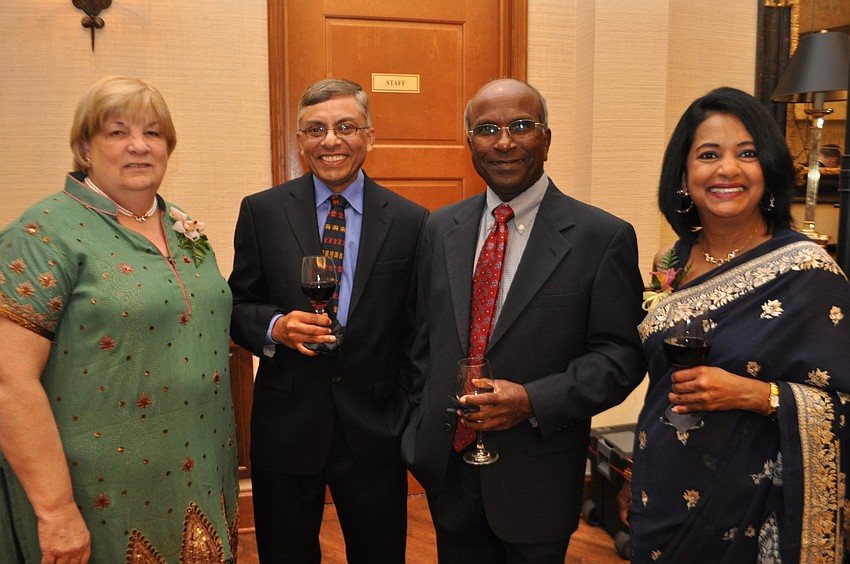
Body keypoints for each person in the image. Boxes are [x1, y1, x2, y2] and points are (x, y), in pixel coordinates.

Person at [401, 78, 646, 563]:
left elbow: (621, 357)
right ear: (470, 143)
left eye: (520, 126)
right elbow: (419, 338)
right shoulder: (440, 227)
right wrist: (417, 429)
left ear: (546, 139)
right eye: (487, 129)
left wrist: (532, 400)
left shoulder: (602, 237)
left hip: (538, 478)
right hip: (449, 469)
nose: (504, 142)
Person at [0, 76, 238, 563]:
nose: (139, 146)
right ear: (84, 148)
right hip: (94, 493)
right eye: (117, 132)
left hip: (201, 470)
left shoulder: (182, 226)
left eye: (153, 133)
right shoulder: (42, 234)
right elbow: (8, 382)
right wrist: (56, 511)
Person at [622, 87, 850, 563]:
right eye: (709, 154)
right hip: (661, 488)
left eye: (747, 153)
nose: (728, 169)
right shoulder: (671, 261)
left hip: (749, 507)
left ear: (769, 169)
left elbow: (843, 403)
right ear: (683, 174)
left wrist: (756, 395)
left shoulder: (806, 271)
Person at [228, 78, 428, 563]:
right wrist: (276, 327)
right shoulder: (262, 211)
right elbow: (237, 306)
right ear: (300, 141)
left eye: (346, 127)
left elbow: (419, 330)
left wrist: (404, 414)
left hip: (375, 428)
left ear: (369, 136)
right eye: (316, 129)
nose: (330, 141)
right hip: (287, 425)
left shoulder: (412, 220)